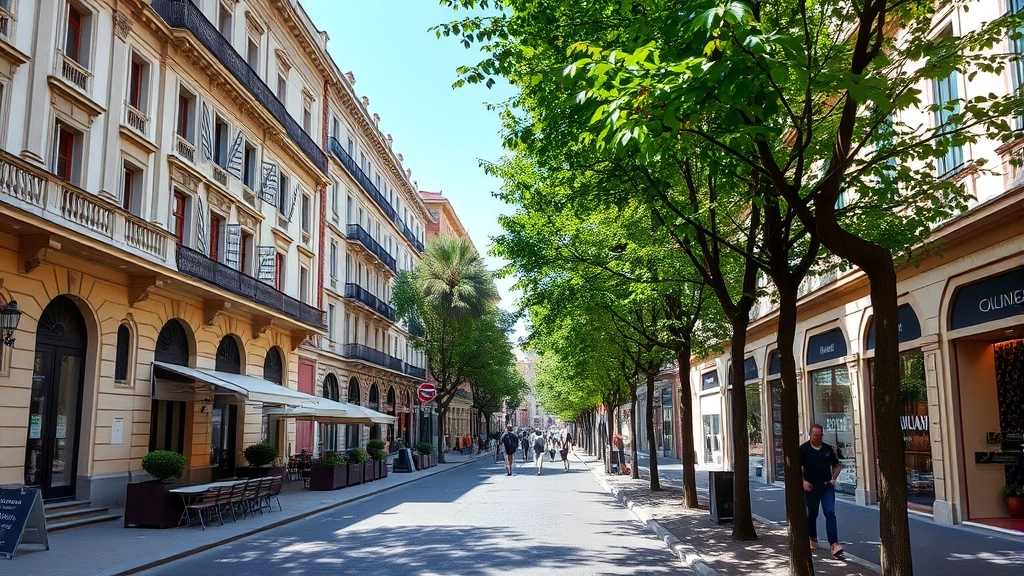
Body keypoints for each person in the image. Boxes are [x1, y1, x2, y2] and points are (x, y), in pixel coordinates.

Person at [800, 424, 845, 559]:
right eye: (816, 435)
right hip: (811, 487)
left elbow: (837, 466)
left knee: (830, 513)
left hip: (826, 486)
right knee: (812, 514)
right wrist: (803, 482)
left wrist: (833, 478)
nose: (819, 437)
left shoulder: (827, 449)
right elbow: (797, 468)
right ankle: (812, 538)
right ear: (810, 434)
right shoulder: (803, 449)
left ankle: (834, 545)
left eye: (820, 435)